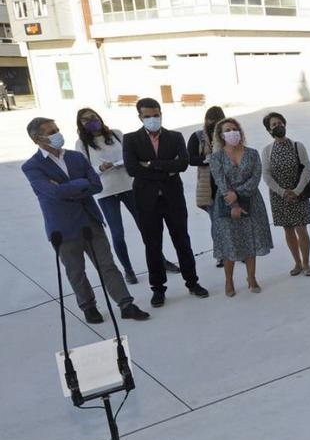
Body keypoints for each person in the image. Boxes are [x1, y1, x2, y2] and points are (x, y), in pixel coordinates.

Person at [23, 118, 150, 323]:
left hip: (90, 221)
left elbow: (96, 186)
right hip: (62, 227)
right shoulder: (32, 166)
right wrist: (81, 186)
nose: (57, 134)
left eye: (57, 129)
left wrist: (71, 186)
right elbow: (52, 193)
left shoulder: (76, 157)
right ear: (37, 138)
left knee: (107, 264)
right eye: (51, 131)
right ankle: (88, 306)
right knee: (76, 270)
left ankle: (126, 303)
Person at [123, 98, 209, 307]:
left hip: (173, 199)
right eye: (148, 116)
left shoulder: (175, 137)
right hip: (146, 200)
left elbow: (183, 163)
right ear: (140, 117)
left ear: (161, 113)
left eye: (156, 115)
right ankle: (158, 289)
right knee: (152, 245)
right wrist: (165, 169)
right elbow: (133, 169)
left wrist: (151, 164)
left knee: (182, 241)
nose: (153, 119)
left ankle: (192, 282)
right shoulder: (131, 139)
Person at [75, 108, 140, 284]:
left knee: (146, 227)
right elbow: (85, 170)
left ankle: (160, 260)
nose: (91, 121)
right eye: (85, 120)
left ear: (100, 117)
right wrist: (100, 169)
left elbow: (132, 155)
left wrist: (125, 162)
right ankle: (128, 270)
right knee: (117, 234)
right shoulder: (81, 144)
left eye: (93, 117)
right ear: (80, 124)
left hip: (129, 185)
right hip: (106, 192)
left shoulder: (117, 134)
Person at [209, 118, 272, 297]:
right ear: (221, 135)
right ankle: (229, 281)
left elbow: (255, 177)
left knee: (251, 240)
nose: (232, 132)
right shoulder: (217, 157)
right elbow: (221, 182)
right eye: (228, 130)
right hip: (226, 203)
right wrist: (234, 202)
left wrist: (238, 193)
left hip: (252, 201)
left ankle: (251, 278)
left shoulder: (252, 153)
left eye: (235, 129)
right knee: (230, 243)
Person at [262, 112, 310, 277]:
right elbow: (266, 175)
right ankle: (297, 263)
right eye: (274, 125)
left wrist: (296, 191)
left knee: (301, 229)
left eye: (280, 123)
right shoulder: (267, 150)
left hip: (299, 193)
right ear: (269, 130)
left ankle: (306, 263)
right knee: (288, 230)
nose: (278, 127)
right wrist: (282, 192)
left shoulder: (298, 146)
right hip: (279, 196)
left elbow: (307, 169)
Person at [187, 105, 226, 268]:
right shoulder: (197, 136)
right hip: (208, 184)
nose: (214, 125)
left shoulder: (227, 133)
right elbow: (190, 159)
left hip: (227, 182)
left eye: (218, 122)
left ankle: (239, 250)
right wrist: (206, 158)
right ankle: (221, 254)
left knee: (234, 219)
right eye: (211, 121)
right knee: (216, 222)